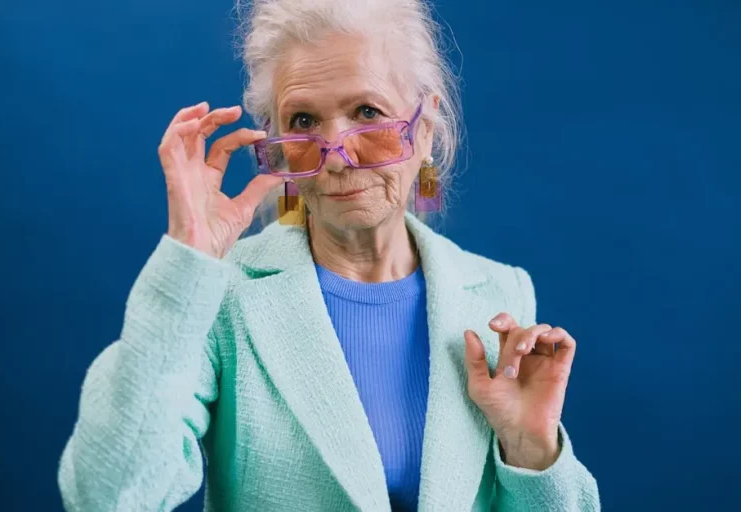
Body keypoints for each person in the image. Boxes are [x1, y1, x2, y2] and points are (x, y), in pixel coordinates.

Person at [57, 0, 600, 510]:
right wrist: (187, 260)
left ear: (426, 128)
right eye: (303, 123)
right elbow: (107, 496)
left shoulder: (501, 292)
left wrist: (532, 452)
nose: (336, 157)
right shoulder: (220, 295)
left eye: (367, 111)